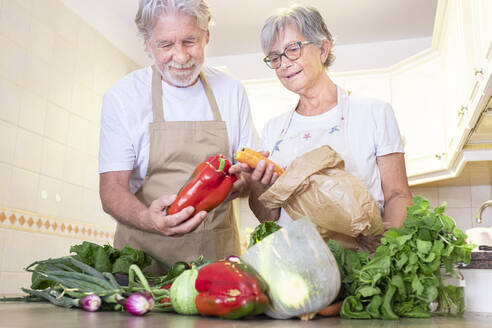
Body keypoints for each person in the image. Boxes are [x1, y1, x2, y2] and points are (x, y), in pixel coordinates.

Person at [98, 0, 255, 275]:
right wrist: (148, 219)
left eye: (190, 41)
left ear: (207, 36)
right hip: (142, 266)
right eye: (166, 45)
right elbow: (111, 189)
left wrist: (244, 182)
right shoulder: (123, 96)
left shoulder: (231, 91)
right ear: (147, 44)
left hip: (215, 264)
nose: (181, 57)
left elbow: (247, 175)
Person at [246, 4, 412, 249]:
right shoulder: (274, 130)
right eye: (274, 57)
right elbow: (267, 217)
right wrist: (259, 186)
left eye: (293, 49)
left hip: (361, 267)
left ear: (323, 49)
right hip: (297, 269)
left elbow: (398, 195)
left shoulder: (374, 112)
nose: (283, 63)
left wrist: (386, 257)